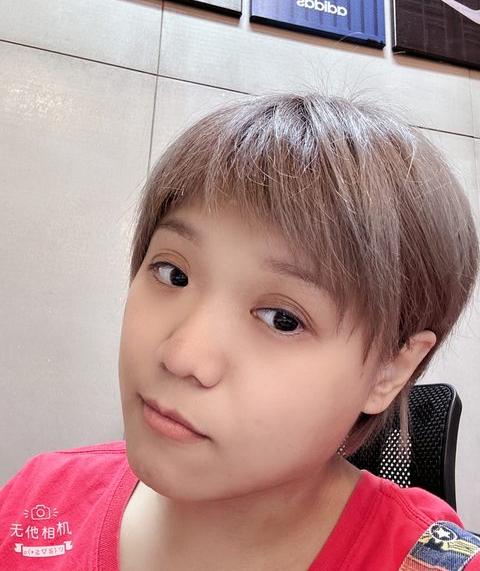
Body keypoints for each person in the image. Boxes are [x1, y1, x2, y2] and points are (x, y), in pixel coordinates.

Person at [1, 92, 479, 571]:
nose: (182, 355)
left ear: (390, 370)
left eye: (282, 319)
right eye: (173, 274)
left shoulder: (428, 562)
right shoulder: (37, 502)